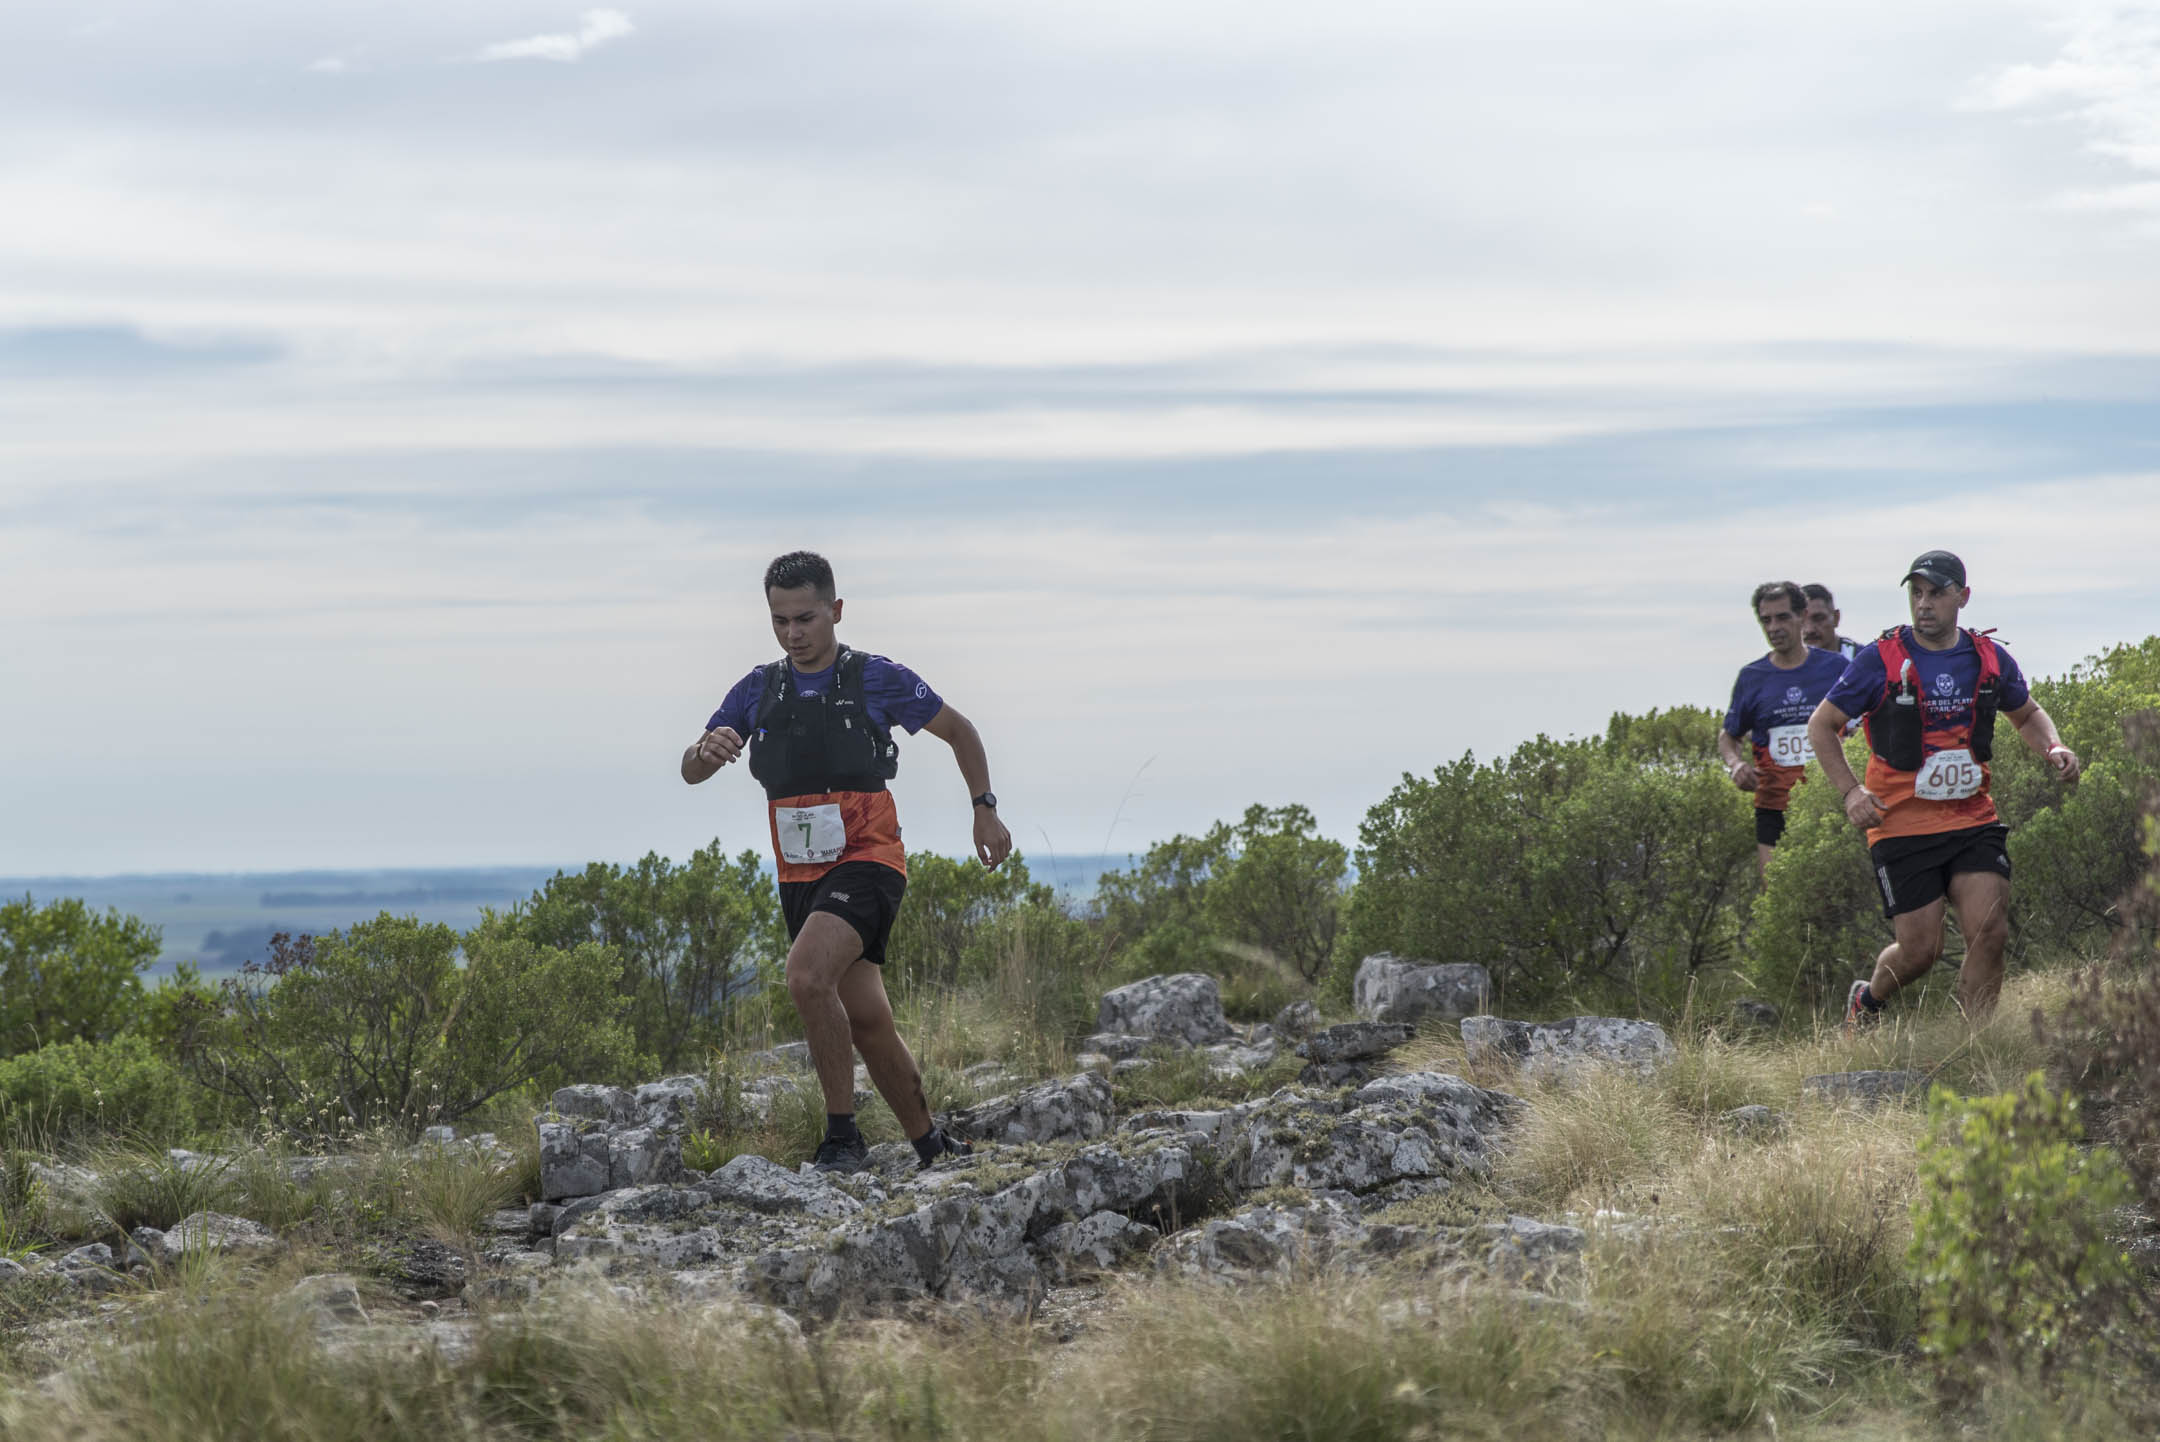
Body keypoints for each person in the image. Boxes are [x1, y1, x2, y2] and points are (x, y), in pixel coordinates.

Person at [681, 551, 1013, 1172]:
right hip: (799, 872)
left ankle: (842, 1138)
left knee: (807, 977)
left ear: (835, 610)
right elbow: (692, 770)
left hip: (869, 858)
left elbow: (960, 730)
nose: (792, 633)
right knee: (866, 1017)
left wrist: (984, 808)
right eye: (779, 621)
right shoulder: (758, 688)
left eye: (804, 618)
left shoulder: (874, 678)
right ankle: (930, 1145)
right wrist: (705, 748)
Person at [1805, 550, 2080, 1026]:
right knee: (1921, 950)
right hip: (1900, 824)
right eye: (1916, 593)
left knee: (1989, 932)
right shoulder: (1881, 659)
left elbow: (2027, 713)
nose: (1924, 604)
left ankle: (1974, 1048)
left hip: (1973, 819)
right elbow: (1821, 725)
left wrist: (2053, 746)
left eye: (1936, 593)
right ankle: (1867, 1002)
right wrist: (1851, 793)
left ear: (1962, 597)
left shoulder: (1988, 657)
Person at [1718, 581, 1851, 877]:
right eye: (1766, 620)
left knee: (1836, 900)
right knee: (1776, 895)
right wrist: (1735, 764)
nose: (1773, 627)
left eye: (1782, 617)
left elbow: (1867, 721)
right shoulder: (1752, 677)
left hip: (1830, 803)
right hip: (1774, 805)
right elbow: (1729, 735)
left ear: (1802, 617)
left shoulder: (1837, 667)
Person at [1801, 583, 1861, 660]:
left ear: (1836, 618)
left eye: (1818, 618)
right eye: (1802, 621)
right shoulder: (1783, 665)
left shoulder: (1862, 661)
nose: (1809, 629)